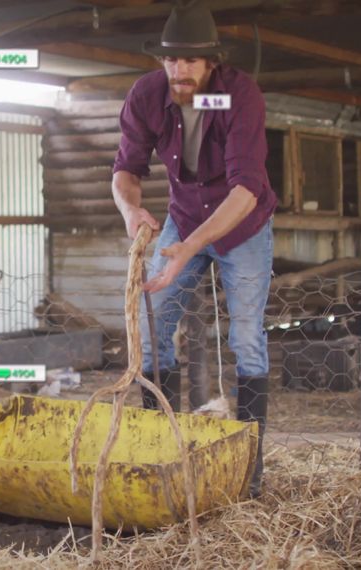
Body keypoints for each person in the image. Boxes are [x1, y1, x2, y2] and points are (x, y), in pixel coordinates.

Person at [110, 1, 276, 498]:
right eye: (170, 60)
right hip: (182, 216)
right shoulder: (147, 94)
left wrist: (190, 247)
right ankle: (163, 448)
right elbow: (126, 170)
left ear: (210, 62)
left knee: (246, 335)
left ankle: (250, 464)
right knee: (154, 315)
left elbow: (246, 189)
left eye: (189, 61)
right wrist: (130, 212)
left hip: (241, 224)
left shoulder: (240, 94)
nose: (178, 70)